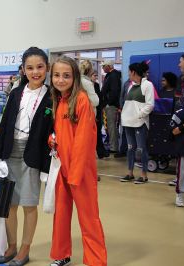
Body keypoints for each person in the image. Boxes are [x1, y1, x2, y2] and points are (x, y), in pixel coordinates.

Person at [0, 47, 53, 266]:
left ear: (47, 68)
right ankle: (12, 246)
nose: (35, 72)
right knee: (9, 204)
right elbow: (5, 125)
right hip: (9, 152)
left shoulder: (51, 97)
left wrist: (46, 167)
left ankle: (25, 250)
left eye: (40, 67)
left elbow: (51, 135)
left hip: (33, 154)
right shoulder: (16, 93)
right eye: (30, 67)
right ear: (23, 70)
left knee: (28, 204)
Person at [49, 56, 107, 266]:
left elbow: (84, 140)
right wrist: (52, 140)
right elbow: (60, 133)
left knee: (88, 218)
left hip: (80, 172)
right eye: (56, 75)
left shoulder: (81, 100)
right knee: (61, 216)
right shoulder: (58, 100)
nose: (61, 80)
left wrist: (75, 173)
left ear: (75, 77)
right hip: (61, 169)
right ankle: (61, 254)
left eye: (66, 75)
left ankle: (95, 261)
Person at [119, 61, 154, 184]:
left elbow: (150, 105)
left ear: (133, 72)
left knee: (141, 149)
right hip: (128, 123)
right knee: (130, 149)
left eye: (129, 71)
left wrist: (138, 115)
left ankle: (144, 175)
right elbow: (128, 104)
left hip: (140, 123)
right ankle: (130, 173)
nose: (128, 74)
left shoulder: (148, 85)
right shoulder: (131, 86)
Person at [170, 51, 184, 207]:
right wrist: (179, 126)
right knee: (183, 165)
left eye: (181, 61)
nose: (179, 64)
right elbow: (179, 107)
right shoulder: (182, 83)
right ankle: (180, 194)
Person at [101, 60, 121, 153]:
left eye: (104, 66)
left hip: (111, 105)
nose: (102, 68)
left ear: (109, 66)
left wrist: (108, 103)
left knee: (111, 126)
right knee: (110, 126)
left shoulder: (113, 76)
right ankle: (113, 145)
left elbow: (114, 91)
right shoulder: (111, 75)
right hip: (110, 104)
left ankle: (114, 147)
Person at [91, 71, 109, 159]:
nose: (95, 77)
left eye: (96, 75)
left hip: (98, 111)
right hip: (92, 113)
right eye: (94, 75)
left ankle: (101, 151)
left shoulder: (96, 85)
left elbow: (99, 99)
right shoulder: (87, 87)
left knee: (98, 132)